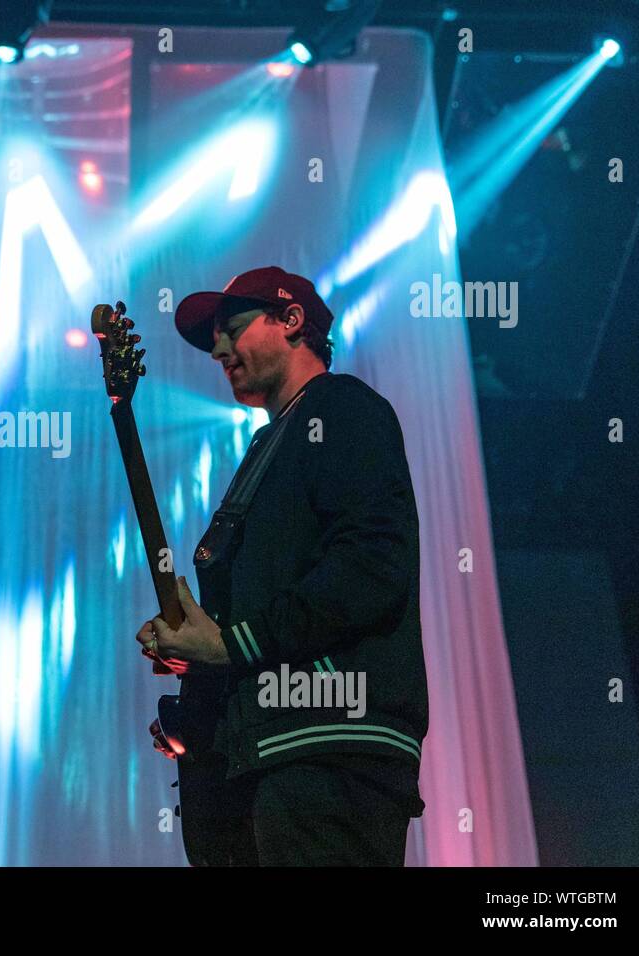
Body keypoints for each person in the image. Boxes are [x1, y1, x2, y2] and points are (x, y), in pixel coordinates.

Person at [136, 266, 428, 866]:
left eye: (231, 329)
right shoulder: (270, 447)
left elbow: (371, 565)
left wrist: (231, 645)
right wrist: (199, 656)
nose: (218, 349)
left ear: (291, 320)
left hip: (325, 750)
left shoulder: (344, 408)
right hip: (266, 759)